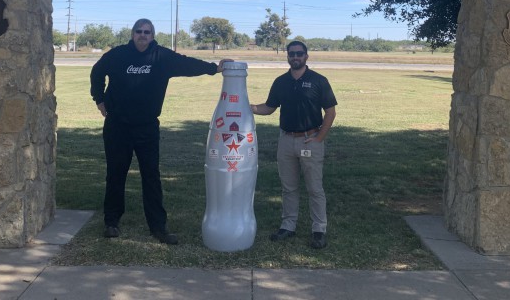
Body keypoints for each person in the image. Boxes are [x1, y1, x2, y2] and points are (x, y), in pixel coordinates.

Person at [90, 18, 229, 244]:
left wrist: (214, 68)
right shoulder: (118, 55)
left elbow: (187, 64)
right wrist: (99, 99)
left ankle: (158, 227)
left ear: (152, 35)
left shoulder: (161, 57)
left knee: (151, 176)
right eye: (138, 31)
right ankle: (111, 222)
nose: (142, 35)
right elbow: (97, 72)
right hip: (118, 126)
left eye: (147, 32)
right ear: (132, 33)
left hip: (147, 126)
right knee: (116, 173)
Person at [250, 40, 337, 249]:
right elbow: (269, 108)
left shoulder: (318, 80)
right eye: (292, 54)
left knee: (315, 188)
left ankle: (319, 229)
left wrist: (319, 138)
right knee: (288, 188)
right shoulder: (281, 82)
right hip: (286, 140)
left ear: (306, 56)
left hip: (310, 139)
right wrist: (247, 106)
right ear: (287, 56)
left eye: (299, 54)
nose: (295, 57)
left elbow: (330, 112)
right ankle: (288, 226)